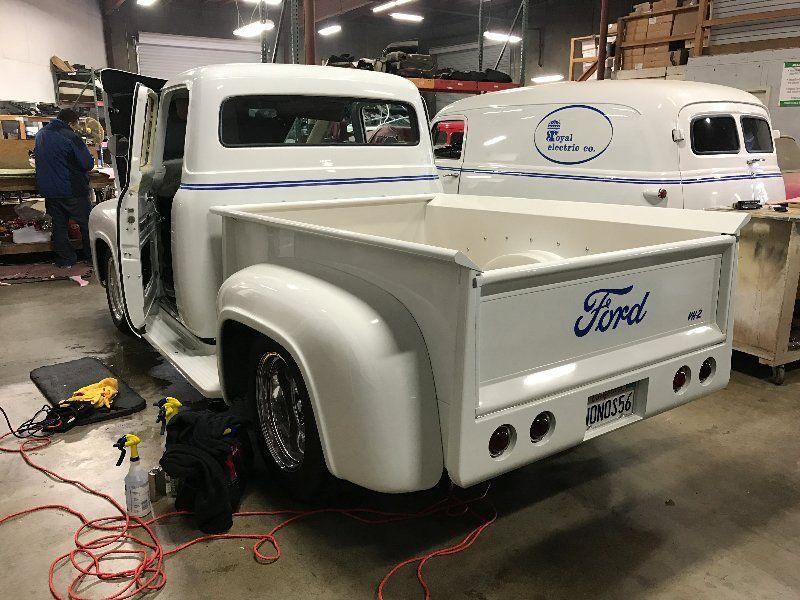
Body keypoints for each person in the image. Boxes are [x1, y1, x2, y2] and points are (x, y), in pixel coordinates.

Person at [34, 108, 95, 267]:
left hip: (50, 191)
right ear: (71, 122)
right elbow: (87, 164)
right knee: (87, 224)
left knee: (59, 227)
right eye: (76, 124)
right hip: (72, 189)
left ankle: (66, 259)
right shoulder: (70, 136)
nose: (76, 127)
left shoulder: (41, 134)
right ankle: (91, 258)